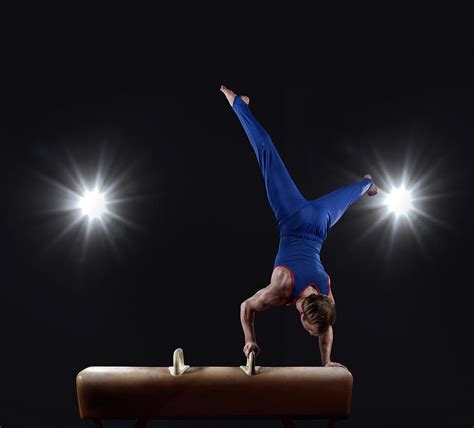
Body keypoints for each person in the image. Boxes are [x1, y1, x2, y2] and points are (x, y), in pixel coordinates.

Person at [220, 85, 378, 369]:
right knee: (267, 155)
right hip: (294, 219)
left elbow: (326, 328)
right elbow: (246, 306)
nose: (309, 333)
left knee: (348, 196)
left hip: (319, 224)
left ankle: (368, 183)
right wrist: (249, 338)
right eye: (309, 330)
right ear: (304, 313)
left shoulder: (326, 298)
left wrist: (326, 363)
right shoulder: (281, 290)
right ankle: (237, 103)